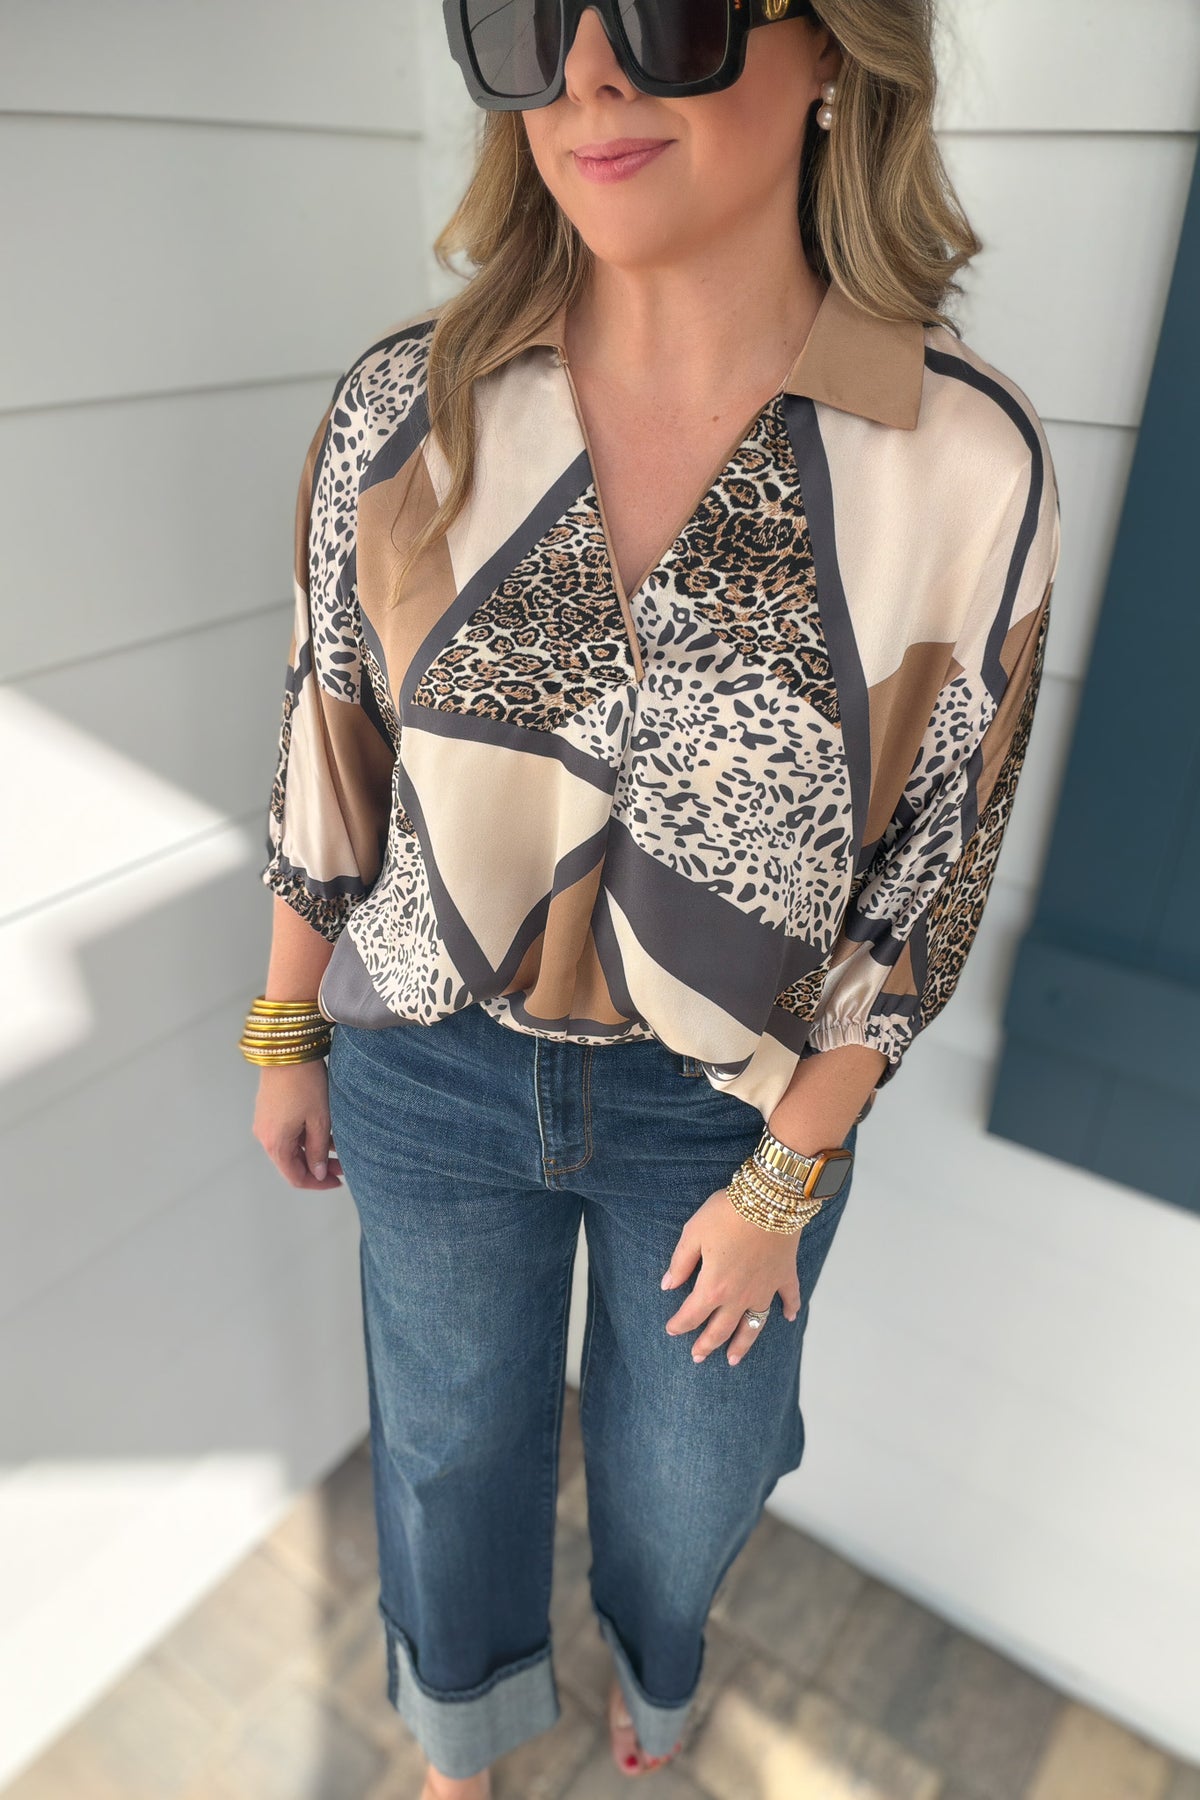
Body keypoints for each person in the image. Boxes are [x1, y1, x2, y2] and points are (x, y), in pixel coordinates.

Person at [243, 1, 1061, 1793]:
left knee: (692, 1477)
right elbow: (330, 738)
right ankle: (459, 1732)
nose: (590, 73)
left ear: (834, 50)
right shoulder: (407, 407)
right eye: (528, 22)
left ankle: (661, 1670)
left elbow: (933, 871)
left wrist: (788, 1171)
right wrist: (285, 1025)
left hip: (734, 1112)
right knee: (446, 1446)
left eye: (670, 9)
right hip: (429, 1065)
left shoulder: (963, 459)